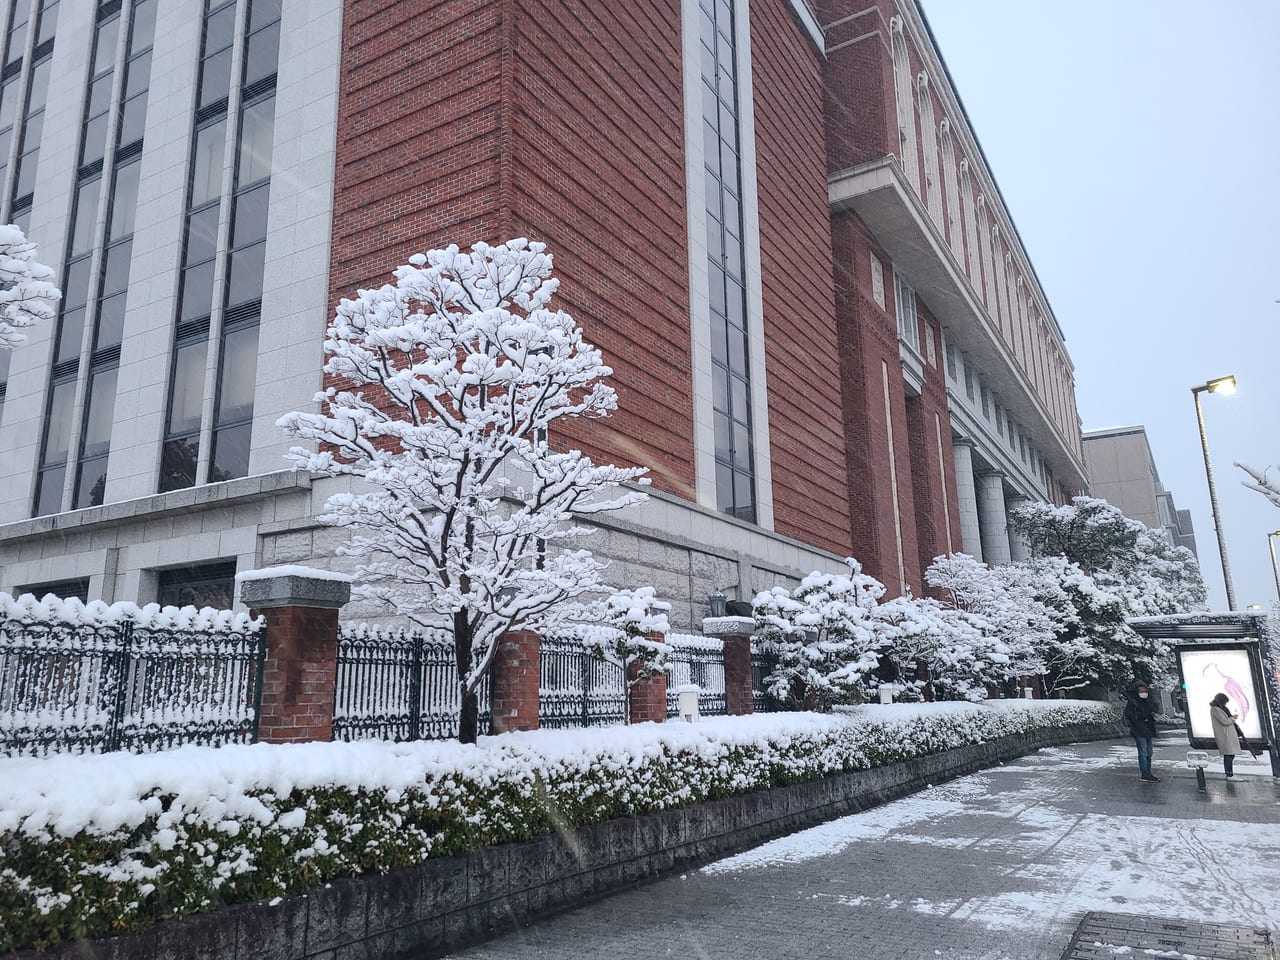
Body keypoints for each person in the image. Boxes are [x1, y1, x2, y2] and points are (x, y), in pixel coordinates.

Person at [1123, 680, 1160, 782]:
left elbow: (1153, 710)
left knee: (1149, 751)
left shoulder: (1147, 701)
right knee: (1143, 751)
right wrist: (1139, 721)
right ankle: (1145, 773)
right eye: (1141, 690)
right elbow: (1131, 716)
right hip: (1139, 729)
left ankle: (1147, 772)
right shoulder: (1133, 702)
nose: (1144, 692)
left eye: (1145, 689)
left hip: (1147, 728)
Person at [1209, 692, 1241, 778]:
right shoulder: (1216, 709)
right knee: (1229, 754)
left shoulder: (1219, 708)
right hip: (1225, 735)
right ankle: (1229, 774)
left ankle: (1229, 774)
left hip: (1227, 734)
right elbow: (1224, 721)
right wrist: (1233, 718)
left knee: (1230, 754)